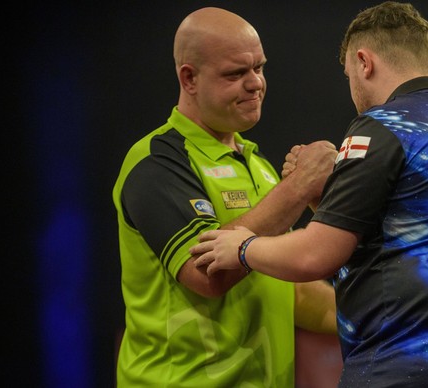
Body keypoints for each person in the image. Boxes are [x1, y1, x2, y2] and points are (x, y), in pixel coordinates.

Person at [191, 2, 428, 387]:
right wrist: (325, 203)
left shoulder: (381, 126)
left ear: (364, 62)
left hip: (401, 368)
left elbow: (317, 255)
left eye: (348, 74)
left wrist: (244, 246)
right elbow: (405, 240)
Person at [112, 7, 339, 387]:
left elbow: (291, 291)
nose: (255, 84)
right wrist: (300, 186)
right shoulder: (156, 162)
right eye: (236, 73)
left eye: (260, 68)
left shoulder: (257, 163)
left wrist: (388, 319)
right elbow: (207, 276)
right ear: (189, 78)